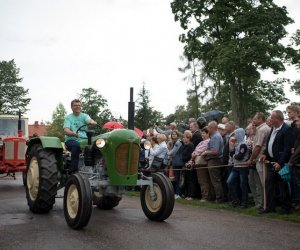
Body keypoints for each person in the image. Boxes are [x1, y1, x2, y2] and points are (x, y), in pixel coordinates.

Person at [260, 110, 294, 214]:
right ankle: (270, 207)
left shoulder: (286, 129)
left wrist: (280, 163)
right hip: (271, 161)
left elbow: (287, 148)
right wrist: (265, 154)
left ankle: (286, 208)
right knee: (269, 183)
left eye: (272, 117)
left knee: (282, 185)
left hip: (281, 163)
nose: (270, 119)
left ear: (277, 119)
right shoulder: (272, 129)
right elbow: (270, 143)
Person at [63, 99, 97, 172]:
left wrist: (92, 122)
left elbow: (88, 120)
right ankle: (74, 169)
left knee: (98, 144)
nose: (77, 107)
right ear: (71, 107)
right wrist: (73, 133)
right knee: (76, 146)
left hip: (84, 139)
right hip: (71, 139)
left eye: (79, 105)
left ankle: (96, 167)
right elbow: (66, 130)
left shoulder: (84, 116)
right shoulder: (68, 118)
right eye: (75, 105)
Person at [246, 112, 270, 209]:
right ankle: (262, 204)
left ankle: (264, 204)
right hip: (259, 159)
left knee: (262, 182)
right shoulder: (261, 129)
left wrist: (251, 159)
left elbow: (258, 146)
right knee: (258, 182)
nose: (253, 121)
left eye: (255, 119)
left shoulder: (262, 129)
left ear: (260, 119)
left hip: (260, 159)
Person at [201, 121, 225, 203]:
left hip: (215, 160)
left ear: (212, 128)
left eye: (208, 127)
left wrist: (206, 152)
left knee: (215, 180)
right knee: (214, 180)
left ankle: (219, 198)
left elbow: (215, 151)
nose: (207, 129)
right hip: (214, 160)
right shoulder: (216, 136)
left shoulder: (215, 137)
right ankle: (215, 197)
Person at [227, 128, 250, 208]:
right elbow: (232, 154)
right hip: (235, 166)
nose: (235, 136)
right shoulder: (236, 144)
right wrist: (232, 148)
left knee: (243, 185)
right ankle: (235, 199)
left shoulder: (243, 145)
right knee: (229, 182)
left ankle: (244, 202)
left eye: (236, 134)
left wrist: (234, 156)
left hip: (243, 167)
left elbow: (240, 156)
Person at [167, 130, 184, 199]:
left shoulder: (178, 142)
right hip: (175, 161)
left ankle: (178, 194)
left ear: (177, 135)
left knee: (177, 179)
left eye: (175, 134)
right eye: (172, 134)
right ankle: (176, 193)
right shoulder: (174, 142)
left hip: (178, 162)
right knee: (175, 179)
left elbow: (173, 152)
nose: (173, 135)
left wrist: (167, 154)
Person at [181, 130, 195, 199]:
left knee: (190, 180)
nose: (183, 139)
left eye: (185, 137)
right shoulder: (185, 145)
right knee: (186, 180)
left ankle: (191, 195)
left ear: (188, 137)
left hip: (188, 164)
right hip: (184, 163)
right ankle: (186, 194)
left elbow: (190, 155)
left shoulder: (190, 145)